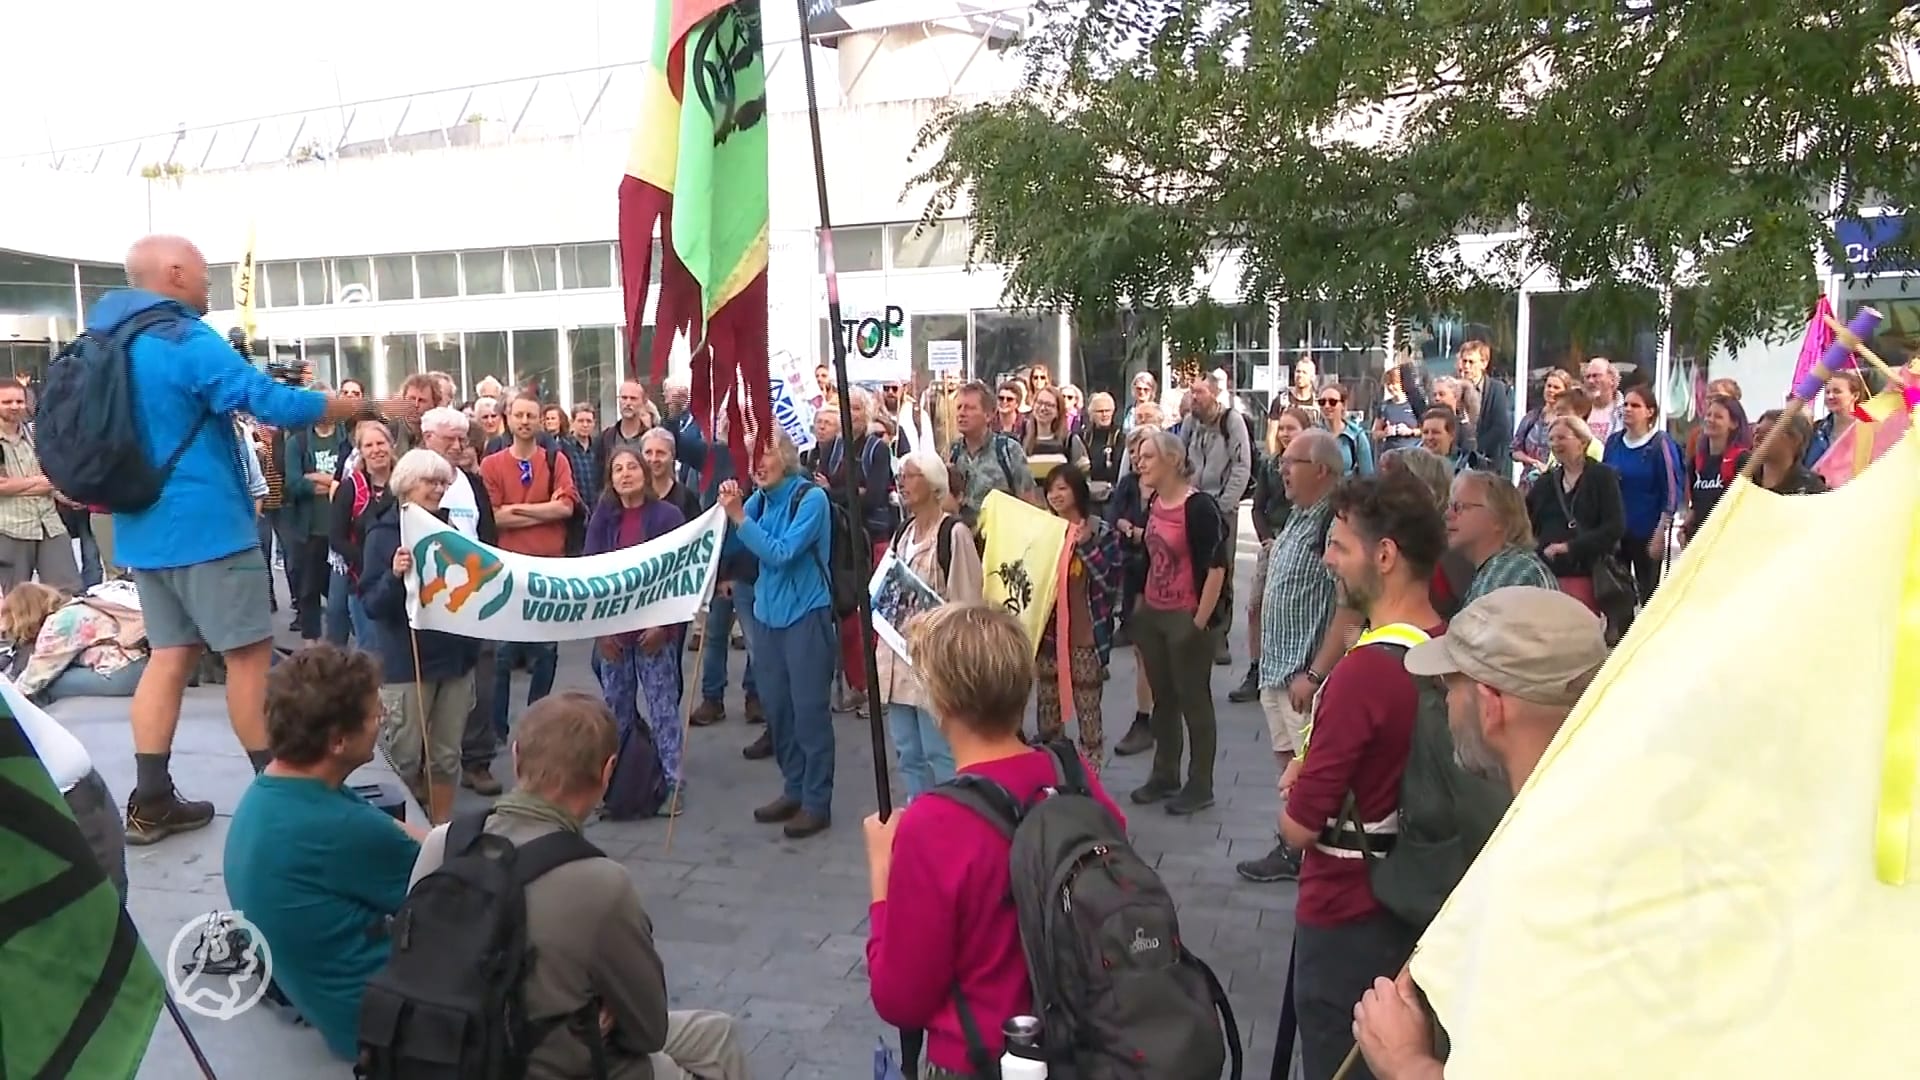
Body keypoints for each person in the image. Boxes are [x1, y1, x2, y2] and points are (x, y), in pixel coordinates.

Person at [99, 234, 407, 846]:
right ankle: (282, 795)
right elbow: (267, 400)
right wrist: (360, 406)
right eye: (203, 272)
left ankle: (151, 799)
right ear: (176, 272)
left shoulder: (109, 344)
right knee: (248, 658)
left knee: (170, 656)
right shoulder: (184, 340)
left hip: (144, 528)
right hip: (208, 525)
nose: (211, 282)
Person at [408, 692, 751, 1079]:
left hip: (447, 1047)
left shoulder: (444, 841)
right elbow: (648, 1030)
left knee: (714, 1033)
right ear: (607, 772)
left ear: (517, 756)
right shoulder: (601, 882)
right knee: (671, 1062)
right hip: (541, 1061)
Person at [1350, 587, 1609, 1080]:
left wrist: (1405, 1062)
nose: (1445, 707)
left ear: (1490, 705)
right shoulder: (1594, 815)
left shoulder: (1540, 876)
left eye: (1450, 689)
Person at [864, 603, 1125, 1078]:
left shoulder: (935, 823)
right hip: (1084, 1043)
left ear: (940, 702)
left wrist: (882, 877)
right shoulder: (1070, 773)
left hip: (982, 1058)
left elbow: (900, 997)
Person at [1280, 471, 1447, 1080]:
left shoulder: (1363, 674)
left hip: (1344, 907)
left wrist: (1296, 785)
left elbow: (1299, 829)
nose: (1329, 560)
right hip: (1411, 900)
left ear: (1385, 555)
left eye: (1340, 546)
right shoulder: (1445, 643)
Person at [223, 645, 425, 1062]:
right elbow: (451, 881)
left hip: (330, 1000)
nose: (381, 720)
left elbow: (390, 829)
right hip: (384, 1028)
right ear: (337, 741)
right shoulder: (338, 829)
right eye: (373, 714)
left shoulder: (280, 787)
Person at [1236, 429, 1347, 884]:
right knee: (1289, 768)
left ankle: (1314, 851)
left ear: (1321, 470)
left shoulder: (1334, 523)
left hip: (1304, 677)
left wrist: (1318, 673)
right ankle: (1295, 849)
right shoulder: (1300, 515)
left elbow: (1349, 607)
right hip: (1278, 670)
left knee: (1313, 771)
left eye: (1293, 462)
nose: (1282, 468)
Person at [717, 431, 837, 839]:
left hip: (806, 616)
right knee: (778, 710)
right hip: (768, 616)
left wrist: (739, 518)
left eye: (765, 454)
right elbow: (732, 537)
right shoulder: (760, 500)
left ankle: (817, 801)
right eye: (752, 457)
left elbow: (781, 553)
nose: (758, 464)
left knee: (809, 713)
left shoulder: (811, 499)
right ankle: (794, 787)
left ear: (785, 456)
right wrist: (725, 509)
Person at [359, 449, 481, 824]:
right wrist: (395, 576)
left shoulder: (451, 533)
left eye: (444, 482)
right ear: (408, 485)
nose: (439, 489)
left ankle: (440, 829)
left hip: (454, 660)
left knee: (446, 756)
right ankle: (403, 829)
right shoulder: (382, 535)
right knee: (404, 755)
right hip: (407, 662)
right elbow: (373, 605)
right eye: (431, 482)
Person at [1126, 430, 1230, 816]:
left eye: (1148, 456)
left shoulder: (1199, 506)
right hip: (1154, 614)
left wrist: (1198, 623)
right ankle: (1164, 774)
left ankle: (1200, 783)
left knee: (1194, 701)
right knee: (1163, 699)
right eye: (1139, 455)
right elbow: (1150, 555)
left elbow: (1217, 567)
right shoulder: (1153, 501)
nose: (1140, 461)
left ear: (1172, 460)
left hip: (1186, 616)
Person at [586, 446, 691, 813]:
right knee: (616, 711)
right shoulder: (603, 518)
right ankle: (616, 785)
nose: (626, 474)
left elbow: (678, 574)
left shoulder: (667, 516)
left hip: (653, 631)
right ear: (610, 479)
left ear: (645, 474)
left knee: (662, 708)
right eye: (618, 469)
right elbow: (590, 575)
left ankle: (672, 783)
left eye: (633, 467)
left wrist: (666, 625)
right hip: (615, 632)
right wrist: (601, 631)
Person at [875, 451, 983, 799]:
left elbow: (967, 602)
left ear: (933, 483)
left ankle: (957, 814)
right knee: (908, 752)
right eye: (901, 476)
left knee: (940, 752)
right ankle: (922, 816)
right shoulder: (903, 533)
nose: (902, 483)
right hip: (896, 661)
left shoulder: (954, 534)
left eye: (911, 476)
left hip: (933, 665)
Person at [417, 406, 503, 796]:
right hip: (432, 598)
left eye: (461, 439)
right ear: (427, 438)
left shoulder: (471, 482)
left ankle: (477, 759)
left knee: (481, 675)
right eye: (448, 438)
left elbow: (488, 533)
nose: (457, 445)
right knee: (431, 681)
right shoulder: (412, 481)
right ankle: (423, 763)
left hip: (474, 595)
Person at [481, 393, 578, 738]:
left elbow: (566, 508)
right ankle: (497, 728)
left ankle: (537, 724)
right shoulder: (491, 465)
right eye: (519, 415)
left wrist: (516, 510)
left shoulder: (556, 460)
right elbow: (492, 518)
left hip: (549, 570)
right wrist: (541, 509)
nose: (524, 421)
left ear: (540, 421)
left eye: (531, 415)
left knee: (546, 653)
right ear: (507, 418)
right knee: (503, 656)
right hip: (506, 570)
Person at [1037, 464, 1123, 769]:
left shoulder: (1100, 531)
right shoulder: (1044, 531)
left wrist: (1085, 544)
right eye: (1051, 489)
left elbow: (1110, 580)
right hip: (1048, 636)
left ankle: (1091, 773)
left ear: (1077, 490)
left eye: (1063, 488)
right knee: (1047, 712)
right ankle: (1052, 771)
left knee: (1088, 710)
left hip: (1086, 635)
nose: (1055, 495)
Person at [1234, 406, 1314, 705]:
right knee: (1256, 606)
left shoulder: (1311, 464)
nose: (1284, 433)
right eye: (1281, 428)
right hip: (1273, 541)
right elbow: (1257, 507)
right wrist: (1267, 539)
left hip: (1300, 541)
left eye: (1291, 428)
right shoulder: (1270, 466)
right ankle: (1256, 668)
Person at [1525, 415, 1626, 619]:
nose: (1555, 444)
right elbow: (1527, 522)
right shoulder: (1545, 483)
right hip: (1549, 575)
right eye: (1551, 439)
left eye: (1562, 437)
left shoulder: (1602, 477)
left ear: (1582, 441)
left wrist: (1570, 547)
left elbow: (1615, 526)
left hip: (1589, 575)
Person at [1600, 384, 1684, 604]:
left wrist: (1660, 533)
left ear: (1650, 412)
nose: (1628, 409)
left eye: (1635, 405)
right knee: (1617, 595)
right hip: (1616, 532)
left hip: (1647, 532)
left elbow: (1672, 490)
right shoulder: (1614, 442)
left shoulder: (1660, 444)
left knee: (1649, 595)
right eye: (1625, 404)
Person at [5, 582, 149, 703]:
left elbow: (36, 675)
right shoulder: (76, 607)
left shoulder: (60, 622)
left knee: (46, 686)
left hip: (122, 672)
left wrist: (9, 700)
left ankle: (20, 726)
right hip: (138, 664)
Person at [0, 379, 80, 594]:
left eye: (19, 401)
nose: (15, 406)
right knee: (17, 600)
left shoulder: (36, 434)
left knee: (67, 592)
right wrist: (43, 482)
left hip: (49, 524)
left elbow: (55, 476)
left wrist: (66, 495)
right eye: (7, 402)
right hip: (10, 528)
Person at [1440, 471, 1557, 608]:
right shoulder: (1500, 567)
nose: (1447, 515)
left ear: (1499, 518)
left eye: (1458, 507)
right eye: (1449, 507)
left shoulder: (1513, 571)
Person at [328, 418, 396, 651]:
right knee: (372, 651)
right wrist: (367, 560)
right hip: (363, 582)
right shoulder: (350, 488)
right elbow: (336, 538)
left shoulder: (404, 483)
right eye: (369, 445)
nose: (376, 450)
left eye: (381, 443)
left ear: (391, 445)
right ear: (361, 452)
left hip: (401, 580)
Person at [948, 380, 1037, 528]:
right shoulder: (953, 452)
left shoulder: (1008, 450)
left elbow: (1028, 501)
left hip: (1001, 541)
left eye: (970, 408)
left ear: (988, 415)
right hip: (964, 541)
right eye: (959, 407)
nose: (961, 413)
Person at [1682, 394, 1750, 545]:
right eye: (1708, 415)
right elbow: (1696, 504)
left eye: (1718, 417)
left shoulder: (1742, 460)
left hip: (1728, 542)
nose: (1710, 420)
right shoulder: (1697, 461)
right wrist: (1685, 529)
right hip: (1698, 541)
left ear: (1733, 424)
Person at [1740, 410, 1828, 496]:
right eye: (1756, 433)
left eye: (1766, 434)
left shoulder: (1811, 488)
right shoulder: (1743, 478)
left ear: (1795, 440)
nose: (1757, 439)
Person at [1511, 368, 1573, 489]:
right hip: (1528, 483)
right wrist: (1533, 462)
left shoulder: (1567, 420)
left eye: (1556, 387)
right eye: (1548, 386)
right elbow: (1514, 450)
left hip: (1555, 485)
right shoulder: (1532, 416)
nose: (1551, 390)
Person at [1455, 341, 1512, 465]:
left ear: (1484, 363)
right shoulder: (1454, 388)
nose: (1466, 366)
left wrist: (1475, 450)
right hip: (1459, 458)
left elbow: (1501, 426)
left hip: (1487, 459)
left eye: (1471, 362)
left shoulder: (1496, 389)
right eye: (1464, 361)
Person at [1805, 370, 1868, 467]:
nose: (1830, 396)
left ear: (1855, 396)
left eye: (1837, 391)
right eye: (1827, 392)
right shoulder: (1816, 430)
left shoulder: (1870, 428)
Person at [1318, 383, 1377, 477]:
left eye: (1332, 402)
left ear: (1343, 405)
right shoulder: (1313, 434)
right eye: (1322, 402)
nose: (1327, 406)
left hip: (1347, 489)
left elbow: (1367, 476)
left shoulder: (1357, 436)